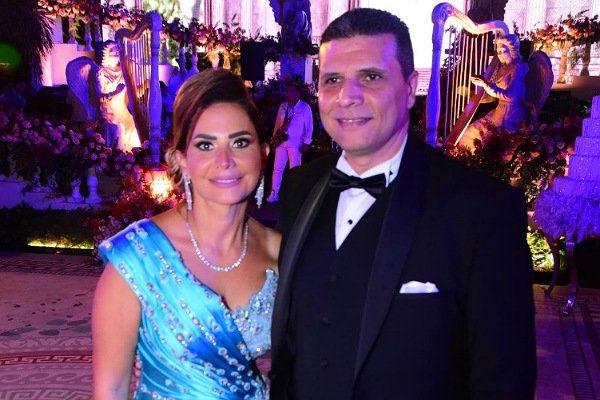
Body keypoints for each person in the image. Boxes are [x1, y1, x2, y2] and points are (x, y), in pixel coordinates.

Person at [270, 8, 536, 399]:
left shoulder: (481, 210)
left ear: (410, 89)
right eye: (332, 80)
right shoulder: (299, 187)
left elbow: (503, 379)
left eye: (371, 77)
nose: (347, 96)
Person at [92, 69, 280, 399]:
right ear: (182, 161)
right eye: (206, 145)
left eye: (240, 142)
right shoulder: (138, 259)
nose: (225, 161)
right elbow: (110, 391)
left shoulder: (280, 253)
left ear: (262, 154)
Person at [458, 33, 529, 151]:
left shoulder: (518, 68)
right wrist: (470, 94)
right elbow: (494, 96)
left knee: (483, 138)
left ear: (512, 50)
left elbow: (511, 96)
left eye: (503, 51)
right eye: (498, 52)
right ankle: (465, 156)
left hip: (510, 114)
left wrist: (486, 85)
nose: (499, 55)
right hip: (500, 110)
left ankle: (475, 158)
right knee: (469, 132)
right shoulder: (503, 68)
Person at [266, 81, 313, 202]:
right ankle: (274, 193)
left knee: (294, 170)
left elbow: (309, 127)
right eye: (288, 91)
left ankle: (294, 196)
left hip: (296, 144)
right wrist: (274, 140)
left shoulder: (305, 108)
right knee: (277, 169)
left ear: (297, 94)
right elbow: (277, 124)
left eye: (291, 91)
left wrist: (306, 143)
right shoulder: (283, 106)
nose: (288, 93)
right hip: (281, 143)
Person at [96, 40, 140, 152]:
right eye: (113, 51)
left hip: (122, 109)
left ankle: (130, 153)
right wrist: (115, 92)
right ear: (106, 53)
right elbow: (99, 97)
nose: (116, 53)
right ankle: (117, 154)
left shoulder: (123, 71)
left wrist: (145, 85)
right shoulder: (101, 73)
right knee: (118, 127)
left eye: (117, 50)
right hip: (109, 111)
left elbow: (132, 93)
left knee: (133, 124)